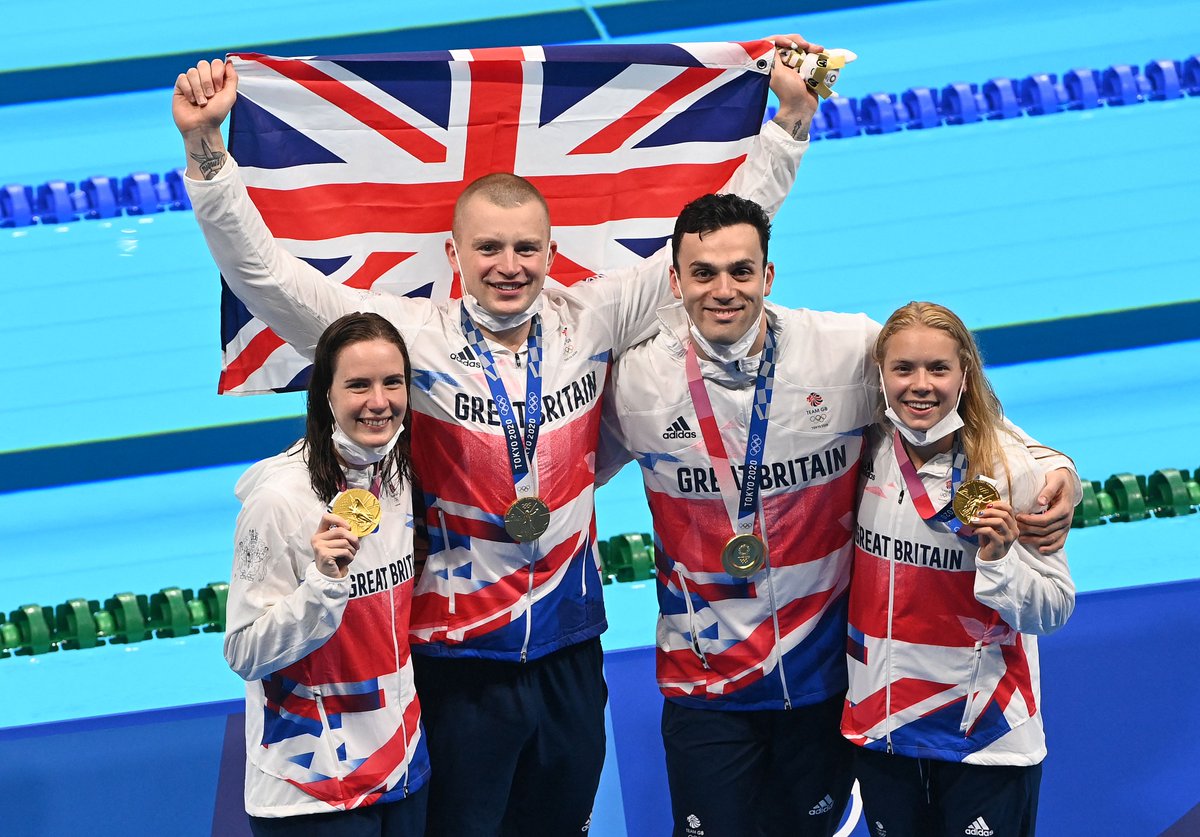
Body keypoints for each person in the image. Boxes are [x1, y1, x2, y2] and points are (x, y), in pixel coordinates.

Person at [174, 36, 822, 836]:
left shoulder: (592, 318)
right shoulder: (412, 338)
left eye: (525, 248)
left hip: (570, 653)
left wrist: (788, 125)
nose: (508, 265)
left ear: (552, 253)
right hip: (455, 663)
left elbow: (716, 245)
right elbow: (271, 279)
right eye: (488, 247)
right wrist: (209, 155)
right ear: (455, 252)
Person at [596, 195, 1078, 837]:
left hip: (825, 680)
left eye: (741, 271)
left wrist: (1054, 463)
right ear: (676, 280)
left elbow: (945, 398)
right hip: (706, 678)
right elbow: (560, 466)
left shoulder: (844, 349)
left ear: (768, 277)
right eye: (704, 273)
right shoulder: (635, 381)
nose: (723, 290)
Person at [841, 302, 1075, 837]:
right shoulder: (867, 448)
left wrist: (998, 561)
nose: (920, 385)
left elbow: (1055, 608)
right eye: (903, 369)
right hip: (885, 728)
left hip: (985, 736)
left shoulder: (1011, 469)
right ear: (881, 376)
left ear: (965, 374)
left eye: (938, 369)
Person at [225, 312, 428, 835]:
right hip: (310, 788)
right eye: (358, 384)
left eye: (392, 383)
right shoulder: (279, 500)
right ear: (326, 395)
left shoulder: (397, 471)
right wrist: (321, 584)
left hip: (400, 768)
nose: (379, 402)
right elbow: (244, 652)